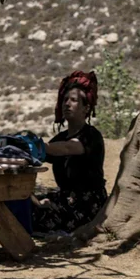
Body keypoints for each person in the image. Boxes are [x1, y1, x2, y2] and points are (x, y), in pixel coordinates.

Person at [34, 70, 108, 235]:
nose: (67, 104)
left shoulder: (91, 136)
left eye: (73, 100)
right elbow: (44, 155)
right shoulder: (60, 137)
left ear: (86, 108)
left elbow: (68, 147)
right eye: (65, 100)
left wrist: (35, 146)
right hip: (65, 198)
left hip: (87, 204)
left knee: (35, 216)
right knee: (25, 203)